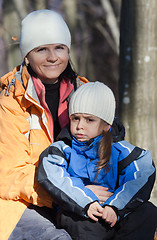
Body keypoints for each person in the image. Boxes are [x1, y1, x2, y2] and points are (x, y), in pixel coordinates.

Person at [0, 9, 120, 240]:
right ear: (26, 55)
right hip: (21, 204)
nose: (53, 57)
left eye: (59, 47)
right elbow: (8, 176)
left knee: (141, 220)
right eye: (41, 49)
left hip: (79, 198)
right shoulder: (10, 101)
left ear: (68, 50)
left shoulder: (85, 92)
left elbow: (111, 152)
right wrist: (73, 192)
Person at [38, 81, 157, 240]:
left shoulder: (120, 150)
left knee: (147, 212)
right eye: (75, 118)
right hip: (80, 212)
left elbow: (141, 173)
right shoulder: (61, 150)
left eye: (89, 120)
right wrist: (86, 200)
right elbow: (55, 177)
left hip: (114, 210)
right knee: (86, 225)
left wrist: (115, 207)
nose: (80, 126)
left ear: (106, 125)